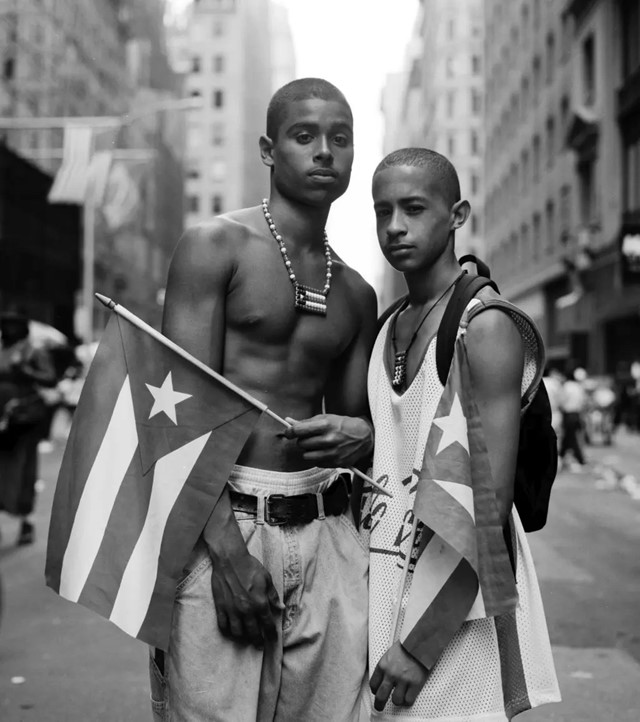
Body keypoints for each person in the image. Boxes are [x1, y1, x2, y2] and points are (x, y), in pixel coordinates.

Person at [151, 78, 378, 721]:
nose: (324, 152)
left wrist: (361, 436)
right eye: (305, 136)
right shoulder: (214, 246)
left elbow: (357, 430)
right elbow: (176, 413)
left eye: (340, 138)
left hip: (329, 532)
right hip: (224, 522)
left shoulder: (357, 294)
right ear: (269, 149)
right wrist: (225, 553)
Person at [359, 148, 560, 720]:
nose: (395, 226)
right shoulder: (386, 328)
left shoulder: (486, 326)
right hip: (386, 592)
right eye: (383, 211)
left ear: (457, 214)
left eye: (415, 208)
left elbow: (485, 510)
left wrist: (419, 647)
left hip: (453, 608)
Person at [0, 307, 56, 545]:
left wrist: (26, 371)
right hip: (3, 420)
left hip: (25, 422)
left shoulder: (33, 351)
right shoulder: (2, 350)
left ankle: (27, 522)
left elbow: (50, 378)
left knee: (24, 472)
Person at [559, 368, 588, 469]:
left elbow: (561, 401)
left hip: (569, 414)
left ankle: (579, 458)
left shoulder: (566, 386)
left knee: (570, 437)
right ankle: (562, 456)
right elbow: (584, 402)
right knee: (570, 436)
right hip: (577, 414)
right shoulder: (578, 387)